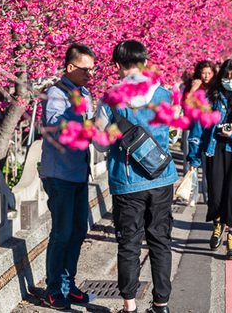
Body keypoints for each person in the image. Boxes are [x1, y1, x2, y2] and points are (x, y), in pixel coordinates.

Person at [95, 40, 178, 313]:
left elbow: (99, 142)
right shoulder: (164, 94)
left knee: (129, 244)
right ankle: (161, 305)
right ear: (144, 61)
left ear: (117, 65)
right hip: (161, 178)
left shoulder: (110, 98)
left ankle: (130, 306)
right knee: (160, 241)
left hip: (127, 181)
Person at [40, 43, 98, 309]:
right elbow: (54, 129)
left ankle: (68, 284)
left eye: (92, 70)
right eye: (85, 70)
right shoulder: (56, 93)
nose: (90, 75)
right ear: (70, 67)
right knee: (61, 233)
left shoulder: (83, 93)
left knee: (77, 231)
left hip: (78, 173)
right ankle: (53, 289)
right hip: (60, 175)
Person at [187, 59, 232, 260]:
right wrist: (193, 156)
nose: (231, 81)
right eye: (228, 78)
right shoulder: (210, 98)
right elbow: (197, 127)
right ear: (221, 78)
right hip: (214, 150)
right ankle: (217, 225)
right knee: (216, 193)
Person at [184, 61, 215, 205]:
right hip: (196, 129)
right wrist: (192, 89)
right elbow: (186, 107)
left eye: (209, 73)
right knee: (193, 164)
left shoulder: (217, 88)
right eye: (204, 73)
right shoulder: (194, 86)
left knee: (209, 166)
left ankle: (209, 196)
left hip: (211, 130)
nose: (207, 76)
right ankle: (193, 195)